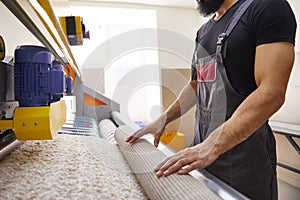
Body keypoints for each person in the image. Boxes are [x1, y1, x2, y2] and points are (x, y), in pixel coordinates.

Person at [126, 0, 297, 199]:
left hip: (245, 158)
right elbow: (196, 86)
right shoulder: (203, 32)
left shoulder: (267, 7)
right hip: (202, 152)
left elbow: (272, 92)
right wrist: (164, 119)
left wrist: (212, 146)